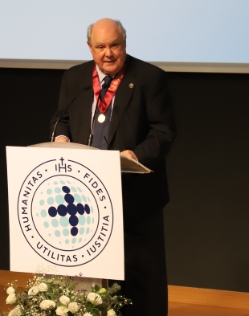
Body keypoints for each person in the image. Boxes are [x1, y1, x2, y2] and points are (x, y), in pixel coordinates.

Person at [50, 18, 175, 316]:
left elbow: (163, 131)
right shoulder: (74, 78)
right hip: (85, 195)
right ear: (90, 48)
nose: (108, 53)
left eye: (114, 45)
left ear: (125, 43)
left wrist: (136, 154)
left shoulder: (149, 77)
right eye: (101, 46)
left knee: (140, 278)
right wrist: (61, 136)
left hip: (135, 193)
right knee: (88, 278)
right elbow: (62, 117)